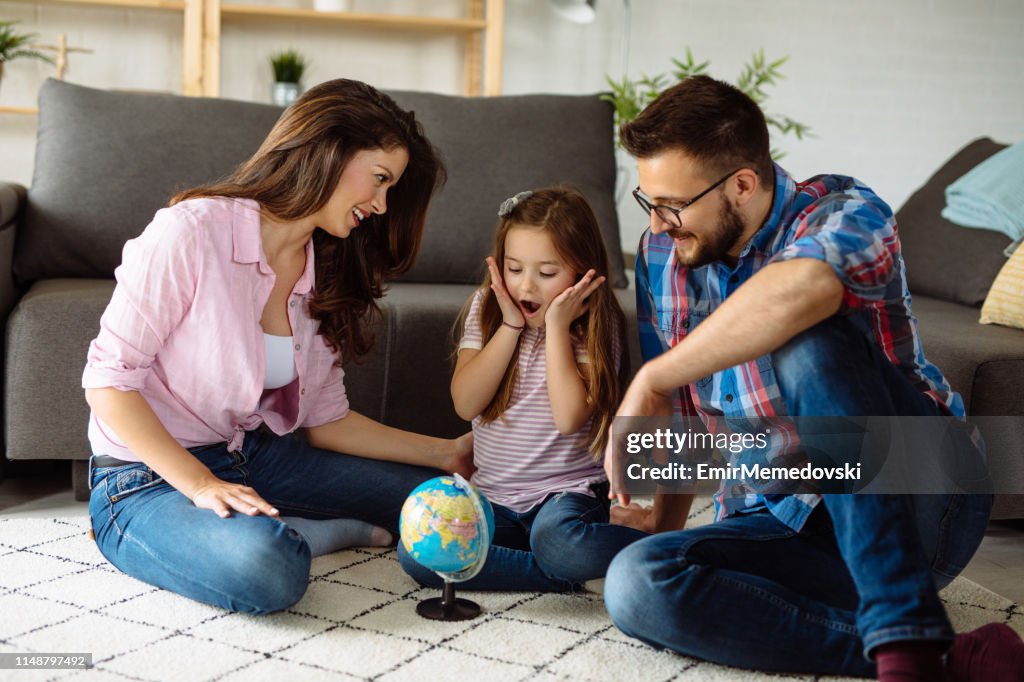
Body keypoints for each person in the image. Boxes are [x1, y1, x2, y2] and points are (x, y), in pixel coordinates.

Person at [600, 75, 1024, 681]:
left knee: (805, 330)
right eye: (650, 203)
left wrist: (650, 379)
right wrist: (660, 530)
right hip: (783, 516)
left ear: (742, 184)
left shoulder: (850, 212)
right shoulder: (666, 253)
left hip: (919, 491)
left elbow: (802, 288)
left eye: (673, 204)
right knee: (638, 584)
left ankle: (903, 637)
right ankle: (948, 657)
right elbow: (696, 417)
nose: (660, 223)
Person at [82, 78, 473, 615]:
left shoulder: (327, 266)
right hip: (147, 478)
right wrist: (199, 484)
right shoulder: (189, 233)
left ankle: (282, 520)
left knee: (447, 506)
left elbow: (324, 419)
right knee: (267, 566)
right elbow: (108, 382)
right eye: (380, 180)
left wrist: (445, 453)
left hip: (258, 456)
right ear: (329, 152)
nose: (382, 206)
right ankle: (298, 533)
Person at [398, 187, 648, 591]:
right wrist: (512, 327)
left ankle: (651, 546)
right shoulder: (488, 309)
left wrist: (556, 328)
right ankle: (555, 575)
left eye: (547, 273)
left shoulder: (597, 326)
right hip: (493, 498)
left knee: (562, 543)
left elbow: (569, 418)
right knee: (418, 555)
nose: (526, 287)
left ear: (584, 273)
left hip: (565, 498)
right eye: (514, 269)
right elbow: (466, 404)